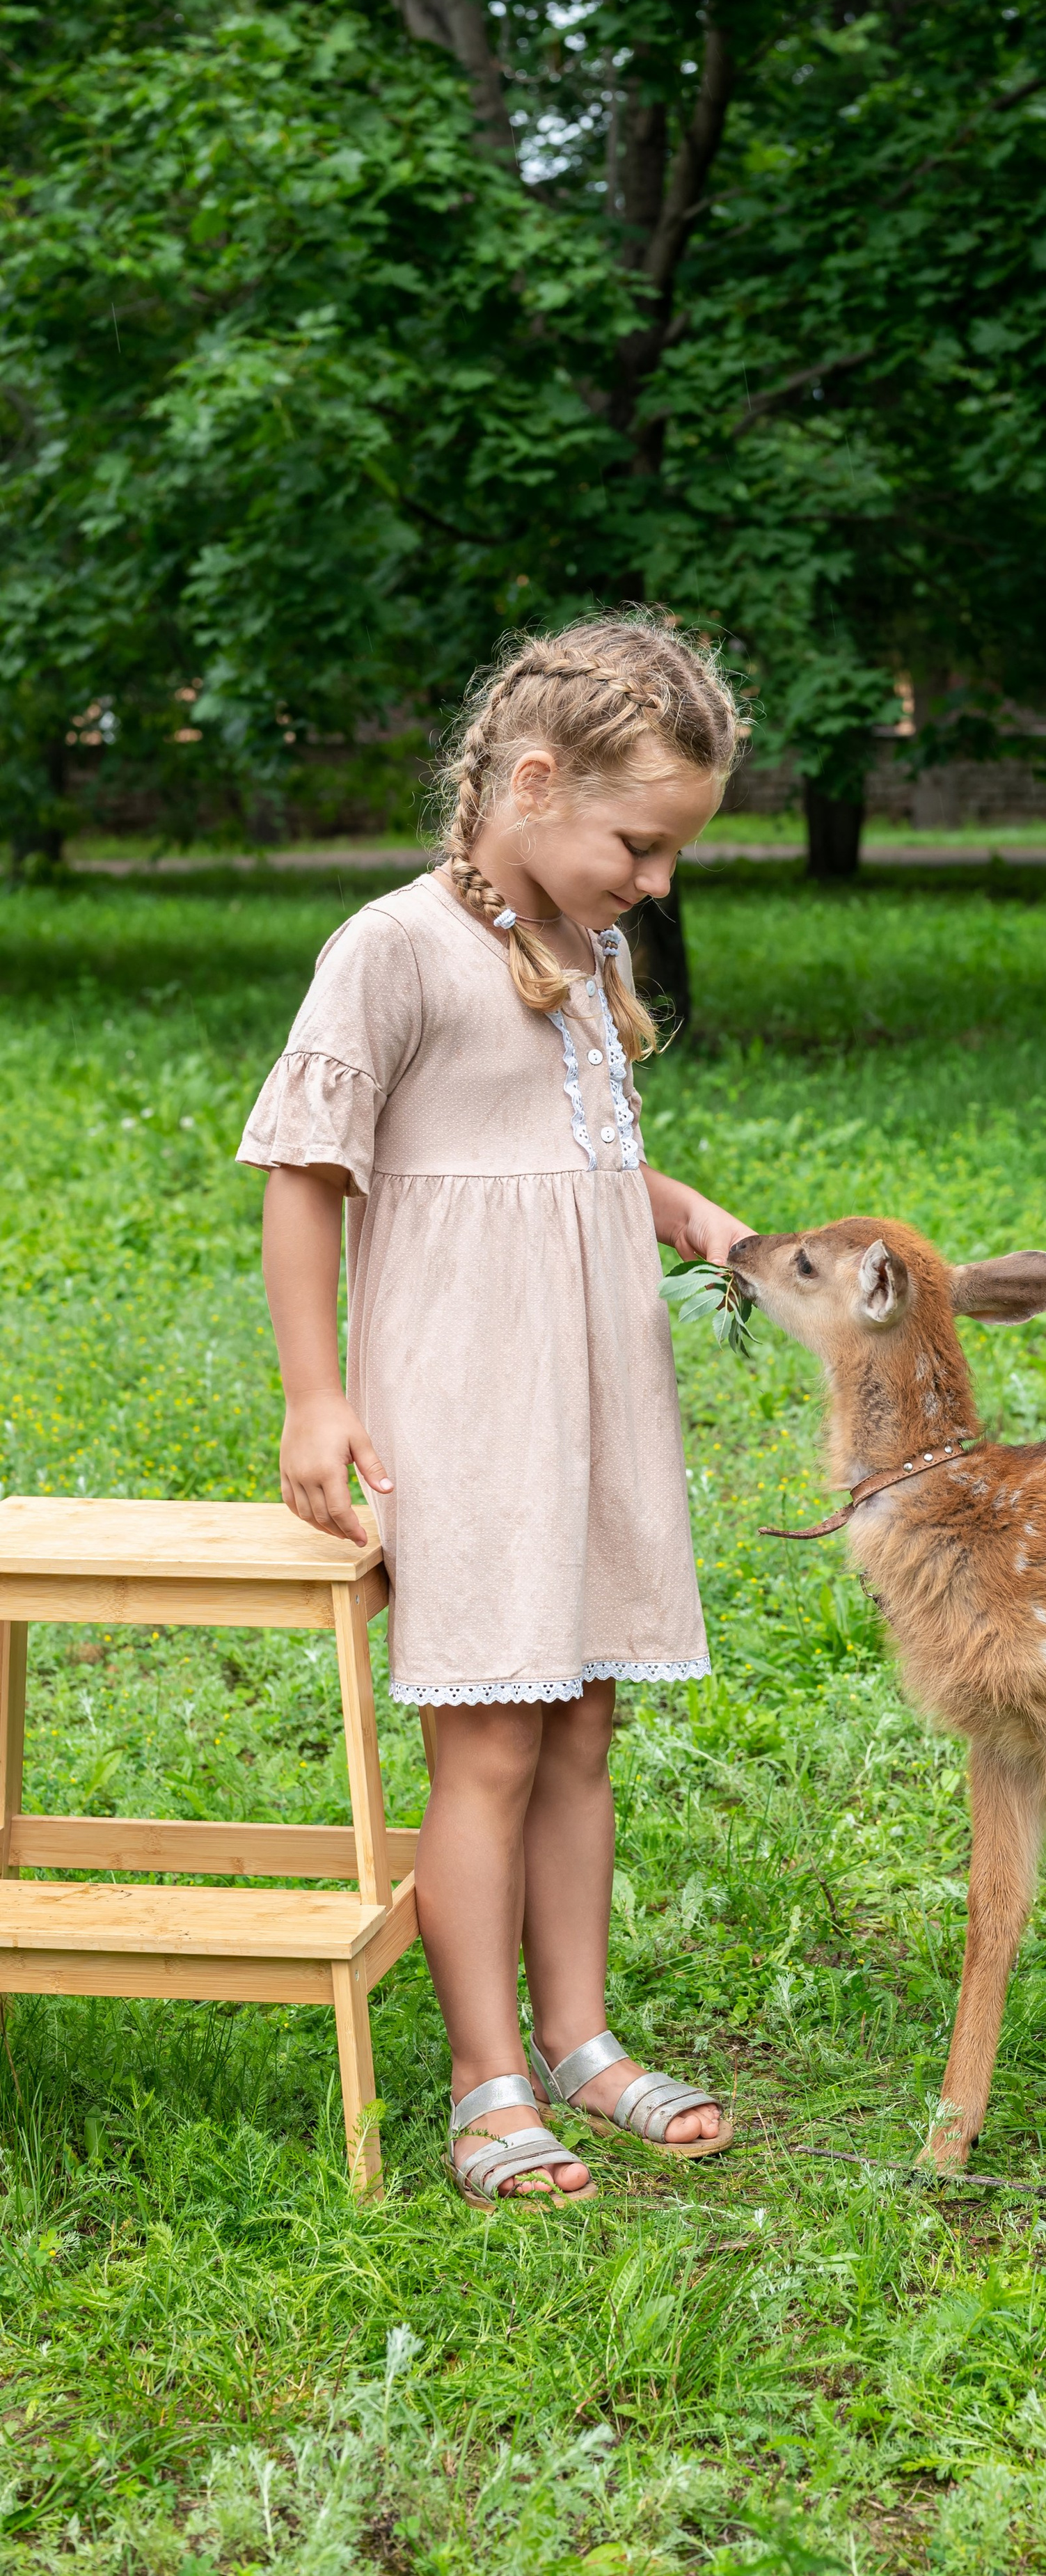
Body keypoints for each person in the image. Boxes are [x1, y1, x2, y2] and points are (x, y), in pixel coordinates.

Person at [239, 615, 752, 2206]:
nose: (656, 883)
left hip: (596, 1399)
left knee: (584, 1727)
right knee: (491, 1751)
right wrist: (314, 1399)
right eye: (639, 843)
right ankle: (485, 2076)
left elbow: (568, 1162)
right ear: (534, 782)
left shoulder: (584, 952)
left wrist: (689, 1215)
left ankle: (584, 2038)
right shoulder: (392, 948)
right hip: (470, 1406)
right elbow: (305, 1178)